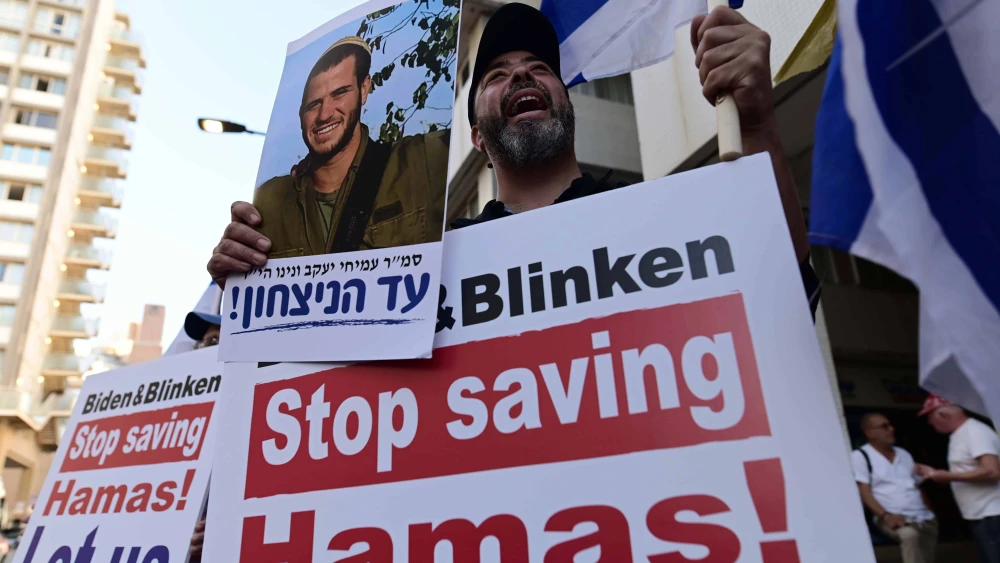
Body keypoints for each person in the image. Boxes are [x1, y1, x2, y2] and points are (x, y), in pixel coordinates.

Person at [208, 3, 821, 313]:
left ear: (566, 106)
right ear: (477, 134)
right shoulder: (432, 261)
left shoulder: (656, 221)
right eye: (497, 73)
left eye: (539, 68)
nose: (523, 75)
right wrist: (256, 284)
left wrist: (757, 123)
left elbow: (782, 293)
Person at [251, 35, 449, 261]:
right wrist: (230, 273)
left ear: (364, 90)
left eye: (339, 93)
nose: (324, 114)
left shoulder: (422, 159)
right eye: (314, 104)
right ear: (300, 115)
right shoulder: (270, 201)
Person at [916, 395, 1000, 563]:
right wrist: (936, 475)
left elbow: (992, 471)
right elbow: (968, 470)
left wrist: (947, 476)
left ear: (943, 415)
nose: (930, 422)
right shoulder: (961, 433)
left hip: (992, 513)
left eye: (930, 417)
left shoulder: (974, 432)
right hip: (980, 514)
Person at [851, 412, 937, 563]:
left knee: (927, 558)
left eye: (890, 425)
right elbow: (865, 492)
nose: (891, 429)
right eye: (884, 426)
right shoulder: (861, 456)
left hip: (923, 517)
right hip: (891, 517)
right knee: (909, 535)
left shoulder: (903, 454)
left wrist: (930, 511)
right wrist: (886, 516)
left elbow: (916, 485)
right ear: (869, 432)